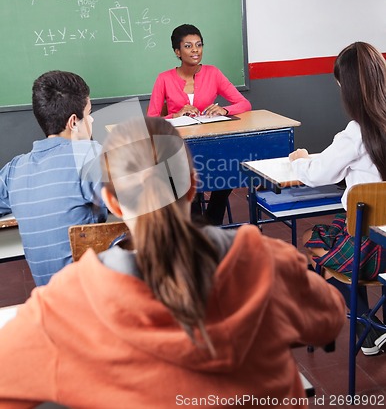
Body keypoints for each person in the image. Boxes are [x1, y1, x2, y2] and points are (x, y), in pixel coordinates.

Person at [0, 117, 345, 408]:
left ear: (112, 202)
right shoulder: (267, 263)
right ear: (194, 185)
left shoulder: (63, 305)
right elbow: (328, 320)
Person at [289, 41, 386, 355]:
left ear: (348, 88)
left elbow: (318, 174)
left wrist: (300, 159)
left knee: (313, 237)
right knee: (342, 227)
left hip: (369, 247)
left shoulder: (357, 132)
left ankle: (365, 327)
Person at [0, 70, 107, 286]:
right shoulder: (88, 154)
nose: (93, 119)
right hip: (93, 298)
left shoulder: (14, 169)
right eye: (89, 112)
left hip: (49, 302)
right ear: (73, 122)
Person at [148, 24, 252, 225]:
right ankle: (195, 222)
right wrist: (175, 115)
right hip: (178, 149)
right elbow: (151, 119)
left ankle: (212, 221)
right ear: (177, 52)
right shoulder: (164, 79)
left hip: (211, 146)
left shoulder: (213, 73)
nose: (195, 50)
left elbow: (244, 103)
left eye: (199, 45)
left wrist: (225, 110)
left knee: (229, 171)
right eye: (188, 46)